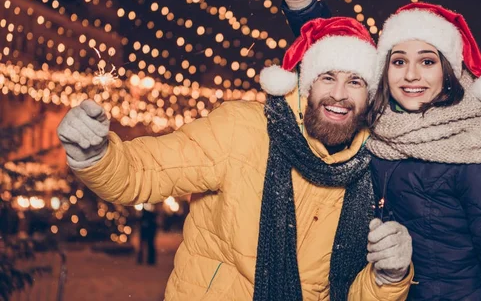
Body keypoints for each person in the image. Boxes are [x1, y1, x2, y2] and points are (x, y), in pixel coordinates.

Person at [57, 17, 414, 301]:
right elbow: (145, 171)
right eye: (328, 77)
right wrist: (97, 155)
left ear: (370, 95)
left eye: (355, 82)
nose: (339, 94)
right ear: (305, 84)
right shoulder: (243, 129)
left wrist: (389, 277)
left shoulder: (373, 171)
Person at [270, 0, 481, 300]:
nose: (411, 75)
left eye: (427, 61)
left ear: (449, 71)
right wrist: (301, 4)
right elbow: (336, 69)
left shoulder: (475, 148)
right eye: (399, 61)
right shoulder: (380, 126)